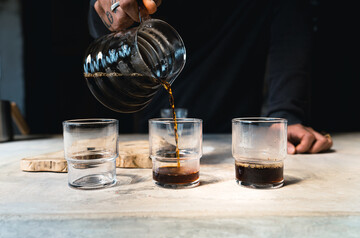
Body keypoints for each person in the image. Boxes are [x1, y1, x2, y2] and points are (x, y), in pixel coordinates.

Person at [88, 0, 333, 154]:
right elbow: (102, 21)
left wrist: (285, 116)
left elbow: (291, 23)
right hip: (159, 135)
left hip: (239, 136)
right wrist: (112, 8)